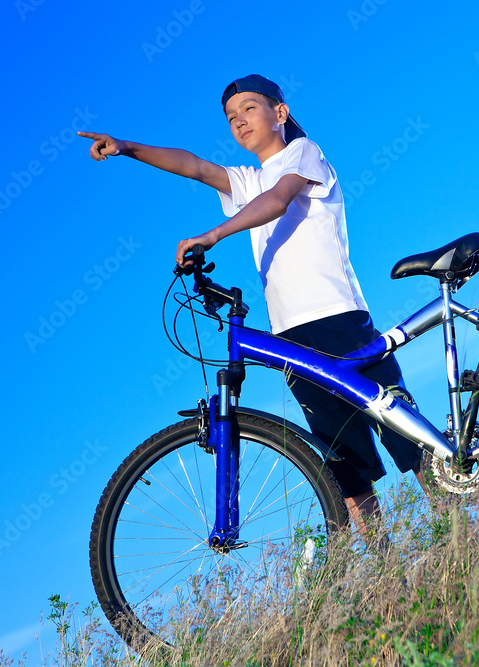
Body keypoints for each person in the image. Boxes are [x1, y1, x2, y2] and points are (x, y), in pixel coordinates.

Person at [79, 74, 430, 536]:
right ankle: (389, 579)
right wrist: (126, 147)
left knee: (406, 435)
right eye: (230, 117)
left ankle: (470, 535)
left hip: (336, 315)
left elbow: (279, 200)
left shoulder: (303, 153)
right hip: (290, 336)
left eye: (248, 108)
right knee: (344, 465)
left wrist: (214, 234)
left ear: (279, 113)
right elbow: (195, 167)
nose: (238, 120)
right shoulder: (246, 181)